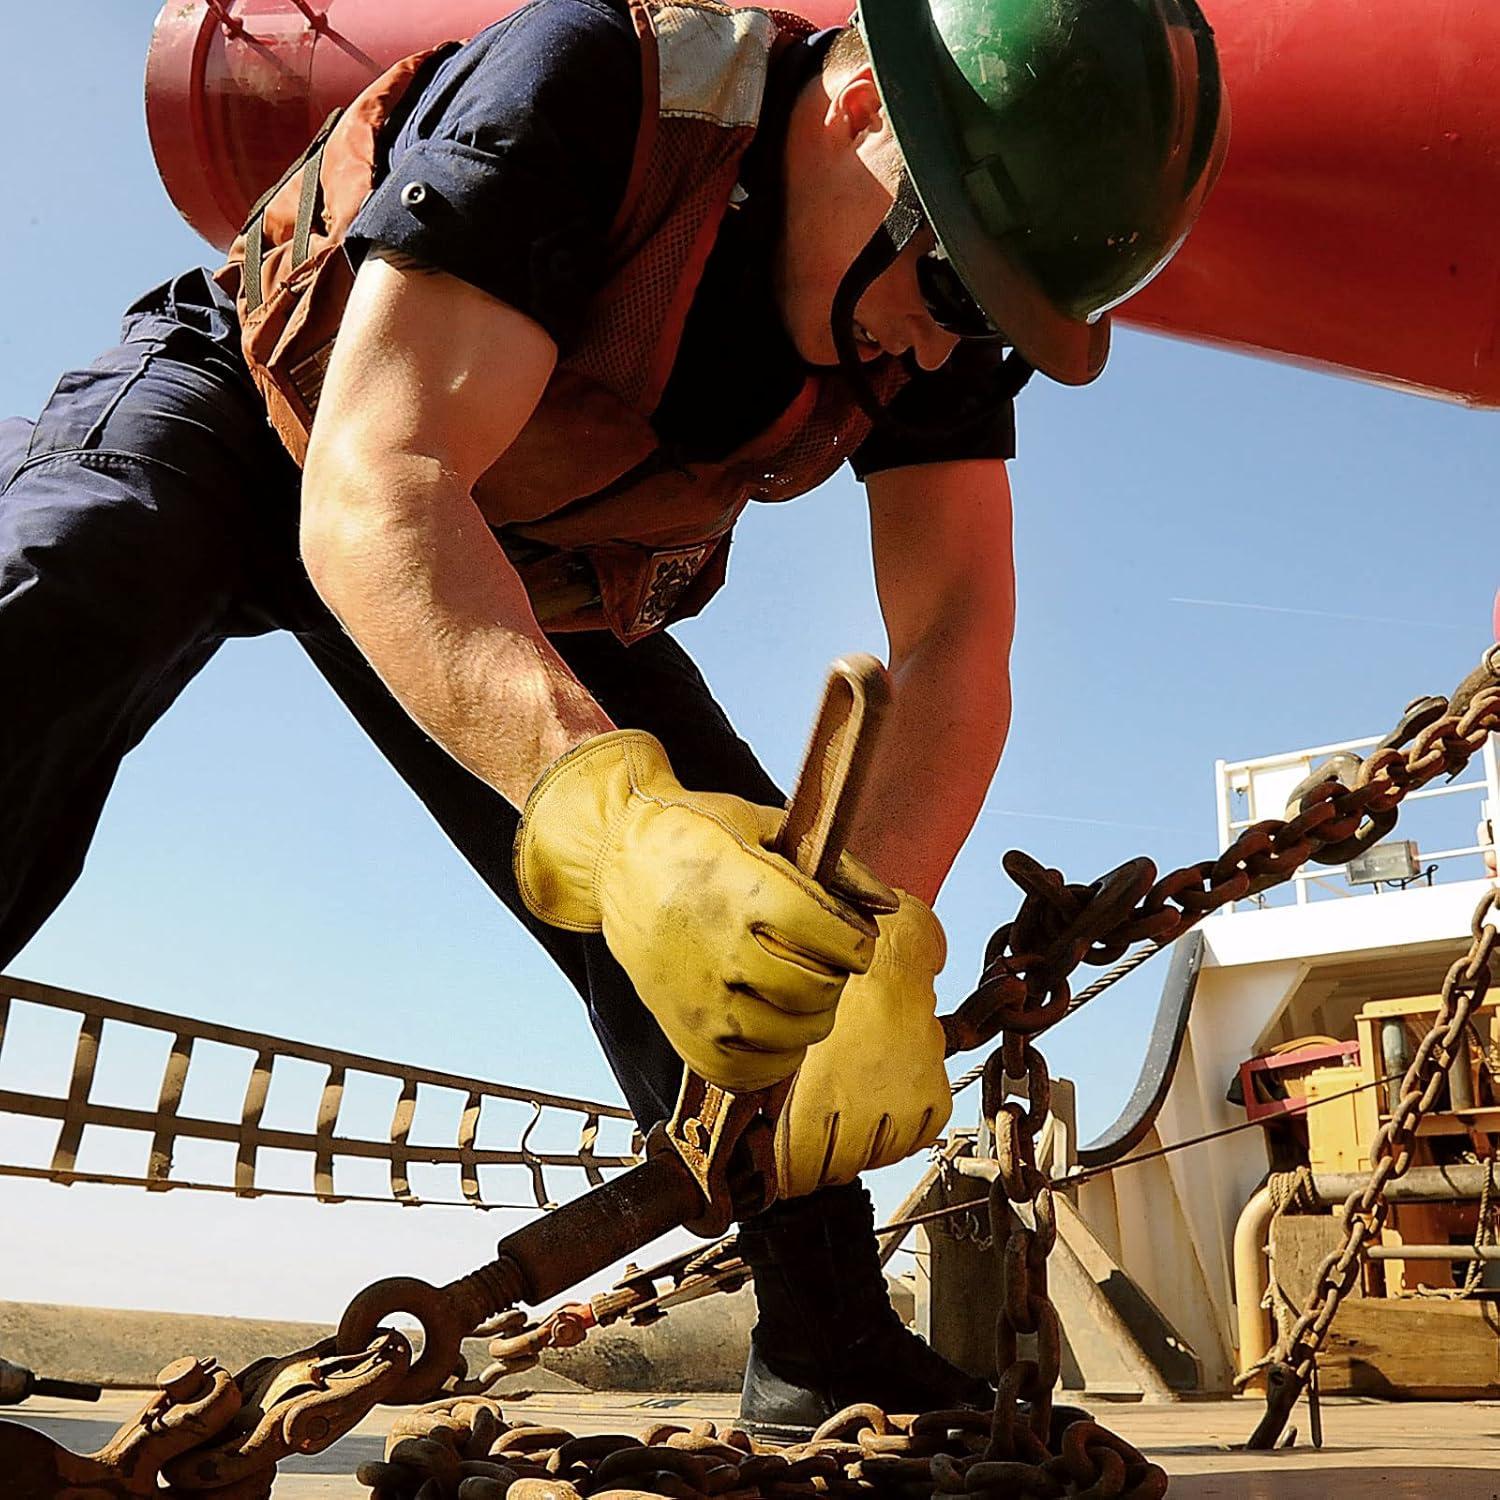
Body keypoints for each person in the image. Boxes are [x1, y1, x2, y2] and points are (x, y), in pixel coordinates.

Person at [0, 0, 1225, 1440]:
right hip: (268, 412)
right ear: (858, 120)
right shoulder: (596, 82)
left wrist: (886, 915)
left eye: (1002, 319)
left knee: (770, 927)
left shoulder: (933, 313)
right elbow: (377, 481)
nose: (954, 350)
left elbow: (955, 637)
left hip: (524, 545)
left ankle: (827, 1342)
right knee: (54, 608)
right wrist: (609, 817)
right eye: (961, 296)